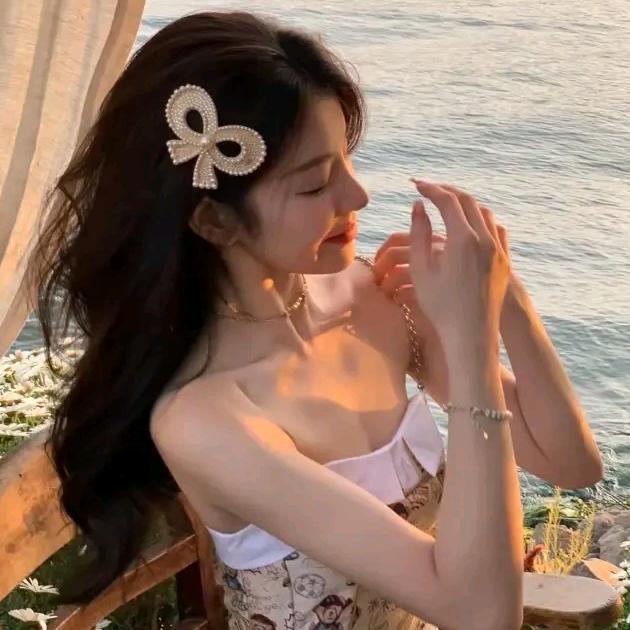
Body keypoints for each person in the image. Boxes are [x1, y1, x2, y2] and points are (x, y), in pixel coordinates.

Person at [25, 10, 603, 630]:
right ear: (214, 220)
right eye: (313, 186)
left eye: (347, 160)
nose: (358, 197)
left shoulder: (370, 299)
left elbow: (570, 464)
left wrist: (509, 303)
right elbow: (483, 614)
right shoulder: (204, 419)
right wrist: (469, 340)